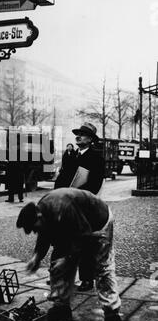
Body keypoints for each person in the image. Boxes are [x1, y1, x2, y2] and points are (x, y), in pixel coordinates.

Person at [16, 188, 122, 321]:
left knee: (102, 268)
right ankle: (61, 307)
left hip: (98, 222)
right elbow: (44, 235)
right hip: (73, 229)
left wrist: (68, 258)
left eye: (34, 228)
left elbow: (83, 238)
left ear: (39, 216)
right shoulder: (42, 211)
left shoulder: (63, 208)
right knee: (57, 266)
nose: (35, 232)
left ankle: (112, 314)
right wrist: (36, 258)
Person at [54, 122, 105, 292]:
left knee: (85, 244)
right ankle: (63, 277)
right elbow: (62, 178)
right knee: (64, 242)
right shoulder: (71, 156)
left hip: (84, 206)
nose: (78, 136)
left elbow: (95, 184)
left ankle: (86, 279)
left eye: (82, 134)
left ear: (90, 139)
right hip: (67, 205)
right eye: (77, 134)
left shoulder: (96, 157)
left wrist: (78, 198)